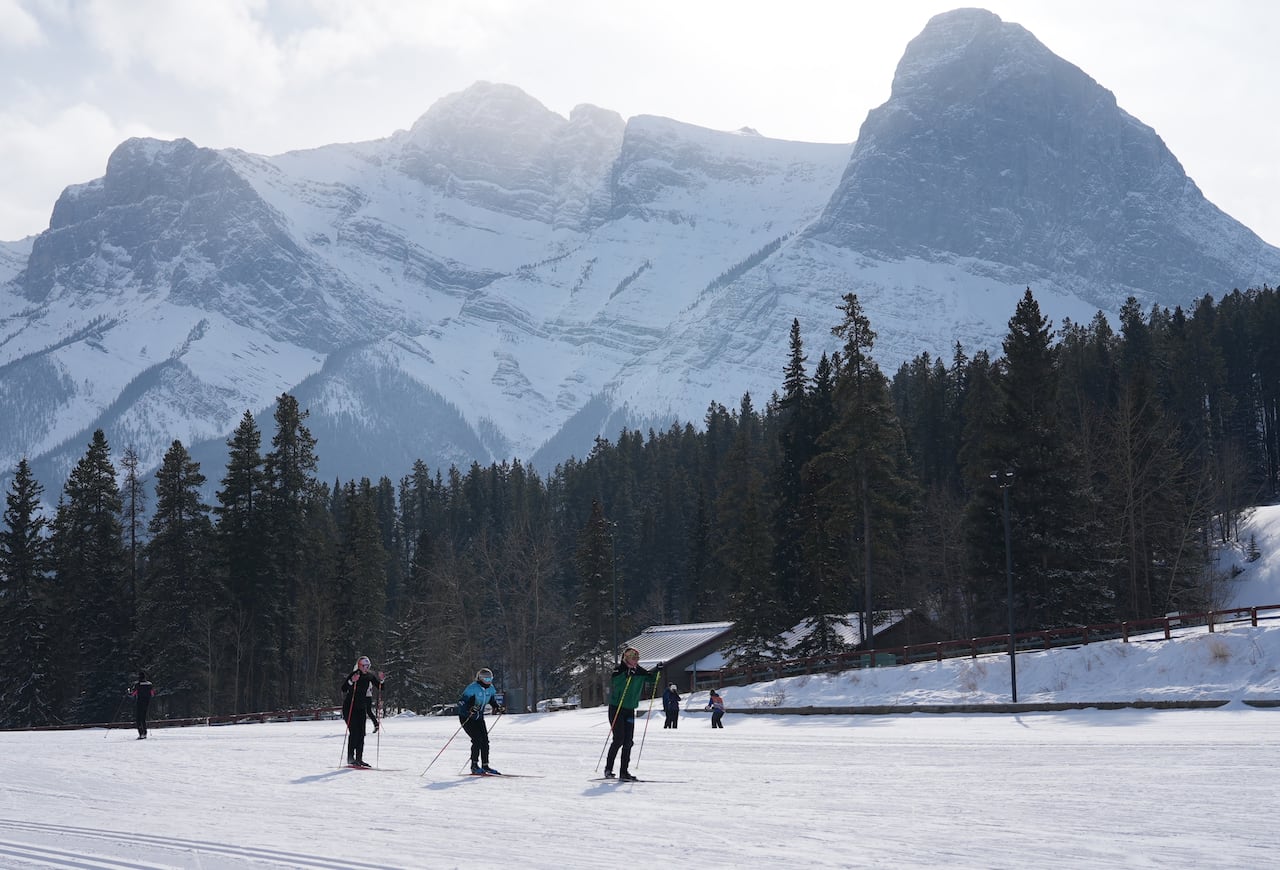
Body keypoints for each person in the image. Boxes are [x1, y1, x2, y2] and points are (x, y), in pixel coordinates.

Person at [604, 647, 659, 781]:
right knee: (619, 739)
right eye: (633, 658)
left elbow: (651, 679)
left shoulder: (638, 670)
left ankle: (624, 772)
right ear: (626, 658)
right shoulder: (619, 669)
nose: (636, 661)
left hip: (629, 709)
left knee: (628, 741)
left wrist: (658, 670)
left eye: (637, 659)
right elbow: (616, 681)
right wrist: (626, 675)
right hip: (617, 708)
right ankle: (608, 769)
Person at [457, 667, 505, 775]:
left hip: (479, 718)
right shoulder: (472, 688)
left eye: (490, 679)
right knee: (477, 740)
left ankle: (485, 765)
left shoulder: (491, 689)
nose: (489, 681)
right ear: (480, 678)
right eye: (486, 679)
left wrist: (497, 707)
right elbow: (461, 702)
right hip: (467, 718)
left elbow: (492, 700)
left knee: (485, 741)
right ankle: (474, 766)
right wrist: (469, 709)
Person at [341, 655, 385, 768]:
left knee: (361, 733)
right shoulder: (355, 674)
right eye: (364, 666)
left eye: (368, 666)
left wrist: (381, 680)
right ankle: (351, 758)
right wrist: (352, 681)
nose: (366, 668)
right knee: (354, 733)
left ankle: (359, 759)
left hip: (361, 707)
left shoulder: (369, 676)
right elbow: (344, 688)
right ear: (359, 666)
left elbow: (380, 687)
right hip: (350, 707)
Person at [128, 671, 154, 739]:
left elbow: (133, 694)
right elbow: (152, 693)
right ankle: (145, 733)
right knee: (143, 718)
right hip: (147, 702)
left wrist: (129, 692)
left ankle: (141, 733)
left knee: (138, 718)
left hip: (139, 702)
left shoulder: (138, 684)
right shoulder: (149, 684)